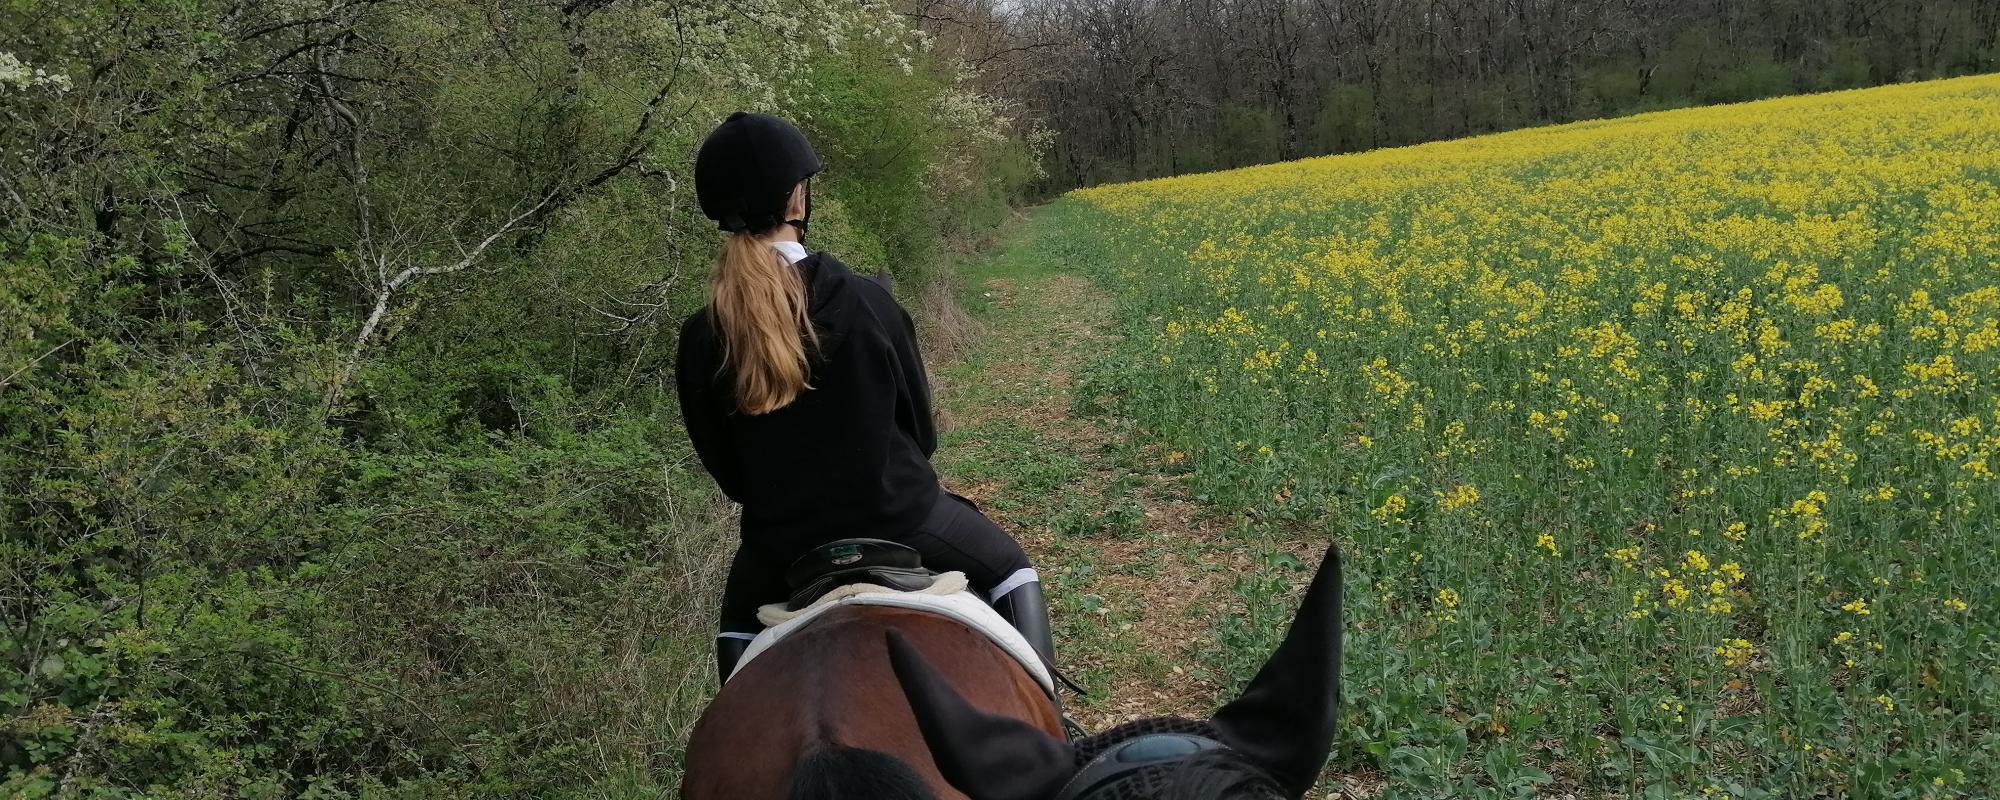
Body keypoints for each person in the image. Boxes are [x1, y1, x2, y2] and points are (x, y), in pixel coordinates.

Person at [675, 112, 1056, 683]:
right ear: (796, 198)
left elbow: (729, 474)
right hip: (902, 519)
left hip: (780, 550)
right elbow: (921, 435)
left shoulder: (703, 336)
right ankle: (1052, 728)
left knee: (735, 638)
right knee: (1012, 572)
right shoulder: (866, 301)